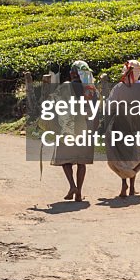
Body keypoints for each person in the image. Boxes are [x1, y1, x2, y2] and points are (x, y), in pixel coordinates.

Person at [105, 59, 140, 198]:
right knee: (136, 154)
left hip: (122, 124)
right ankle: (132, 187)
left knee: (122, 154)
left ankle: (124, 185)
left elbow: (109, 106)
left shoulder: (119, 88)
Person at [50, 60, 97, 202]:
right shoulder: (90, 89)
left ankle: (72, 186)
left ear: (72, 73)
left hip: (68, 127)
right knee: (81, 162)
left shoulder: (65, 87)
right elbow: (95, 111)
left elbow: (55, 105)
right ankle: (79, 192)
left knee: (66, 160)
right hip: (85, 128)